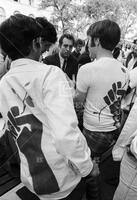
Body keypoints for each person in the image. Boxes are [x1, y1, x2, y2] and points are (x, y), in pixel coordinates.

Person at [0, 14, 97, 200]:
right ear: (36, 42)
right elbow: (65, 134)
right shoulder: (50, 74)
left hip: (31, 176)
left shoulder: (3, 83)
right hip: (62, 179)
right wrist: (88, 167)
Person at [75, 19, 129, 200]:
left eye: (88, 40)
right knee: (97, 164)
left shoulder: (87, 69)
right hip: (114, 128)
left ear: (96, 40)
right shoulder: (124, 70)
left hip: (94, 131)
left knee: (90, 170)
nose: (87, 45)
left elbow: (78, 102)